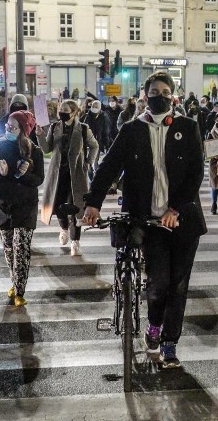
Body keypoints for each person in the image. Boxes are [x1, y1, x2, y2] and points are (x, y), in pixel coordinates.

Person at [83, 71, 206, 369]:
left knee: (178, 284)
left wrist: (175, 209)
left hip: (182, 221)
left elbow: (195, 173)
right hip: (149, 222)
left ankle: (170, 343)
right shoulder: (131, 130)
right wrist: (93, 204)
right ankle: (153, 327)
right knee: (158, 283)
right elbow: (109, 166)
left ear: (174, 97)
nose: (159, 96)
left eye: (165, 91)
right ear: (145, 95)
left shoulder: (188, 128)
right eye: (154, 91)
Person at [0, 110, 45, 307]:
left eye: (13, 127)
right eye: (7, 126)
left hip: (25, 206)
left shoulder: (35, 151)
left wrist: (24, 174)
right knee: (9, 248)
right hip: (3, 204)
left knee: (21, 247)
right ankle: (14, 282)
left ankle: (19, 291)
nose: (8, 129)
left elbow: (39, 180)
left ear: (24, 130)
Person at [39, 99, 99, 256]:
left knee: (75, 208)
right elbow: (46, 148)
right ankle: (63, 228)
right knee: (58, 206)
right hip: (58, 174)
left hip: (76, 174)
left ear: (74, 112)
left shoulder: (84, 129)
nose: (62, 113)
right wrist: (40, 135)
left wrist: (88, 163)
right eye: (61, 110)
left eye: (66, 110)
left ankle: (75, 242)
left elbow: (94, 146)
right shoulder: (54, 127)